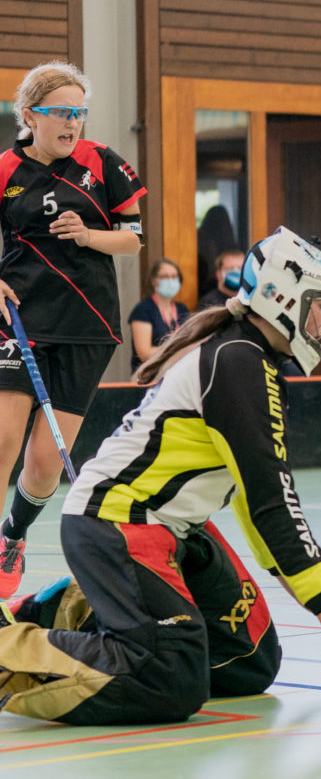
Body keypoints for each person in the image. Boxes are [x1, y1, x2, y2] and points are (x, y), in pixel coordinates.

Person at [0, 227, 321, 724]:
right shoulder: (238, 362)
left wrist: (318, 604)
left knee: (248, 662)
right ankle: (12, 642)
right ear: (283, 298)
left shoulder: (253, 360)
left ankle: (90, 610)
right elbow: (275, 502)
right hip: (118, 522)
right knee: (171, 677)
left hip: (177, 532)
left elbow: (256, 506)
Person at [0, 61, 146, 598]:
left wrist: (87, 235)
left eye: (79, 113)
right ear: (31, 116)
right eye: (61, 112)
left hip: (87, 322)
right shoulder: (5, 170)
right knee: (3, 439)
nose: (72, 123)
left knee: (42, 463)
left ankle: (12, 534)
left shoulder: (103, 163)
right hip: (20, 319)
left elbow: (133, 241)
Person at [128, 258, 190, 372]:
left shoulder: (182, 309)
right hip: (148, 375)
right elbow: (144, 354)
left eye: (174, 277)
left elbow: (191, 344)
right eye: (165, 277)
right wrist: (177, 348)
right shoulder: (143, 309)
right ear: (154, 281)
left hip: (178, 372)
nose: (171, 281)